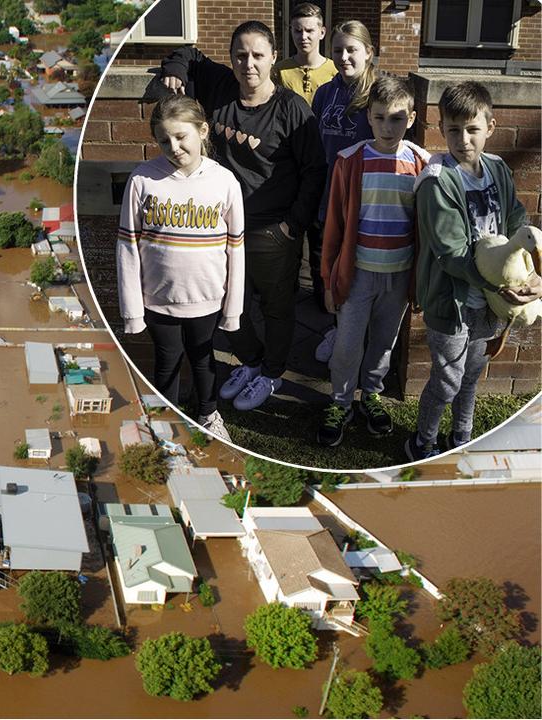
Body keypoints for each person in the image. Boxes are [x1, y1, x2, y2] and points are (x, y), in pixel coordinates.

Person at [160, 21, 326, 412]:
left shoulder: (291, 109)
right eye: (240, 54)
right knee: (224, 300)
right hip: (219, 228)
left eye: (257, 55)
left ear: (272, 59)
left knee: (276, 306)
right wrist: (176, 72)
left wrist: (292, 225)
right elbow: (189, 53)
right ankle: (251, 362)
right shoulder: (220, 88)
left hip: (272, 230)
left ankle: (272, 371)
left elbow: (315, 169)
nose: (247, 63)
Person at [407, 81, 542, 461]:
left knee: (472, 374)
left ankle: (461, 436)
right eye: (453, 129)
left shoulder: (498, 170)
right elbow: (451, 253)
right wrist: (499, 286)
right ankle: (423, 442)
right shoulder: (437, 181)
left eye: (472, 129)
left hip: (490, 303)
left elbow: (517, 221)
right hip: (453, 303)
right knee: (448, 380)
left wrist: (530, 276)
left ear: (491, 127)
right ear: (441, 127)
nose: (463, 139)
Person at [117, 95, 245, 442]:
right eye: (163, 140)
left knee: (204, 360)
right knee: (166, 362)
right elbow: (127, 248)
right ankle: (165, 425)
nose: (173, 147)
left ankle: (208, 413)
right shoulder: (143, 180)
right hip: (158, 301)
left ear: (202, 131)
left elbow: (236, 250)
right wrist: (133, 312)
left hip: (206, 299)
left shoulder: (225, 182)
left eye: (181, 136)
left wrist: (233, 310)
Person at [317, 75, 429, 447]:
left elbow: (427, 231)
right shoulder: (349, 161)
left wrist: (421, 283)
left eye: (396, 119)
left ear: (411, 119)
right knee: (348, 344)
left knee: (384, 341)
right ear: (368, 116)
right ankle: (340, 402)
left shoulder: (422, 165)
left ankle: (373, 394)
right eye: (380, 117)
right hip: (358, 274)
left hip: (398, 276)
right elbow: (333, 225)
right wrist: (329, 278)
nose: (387, 126)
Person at [310, 20, 380, 326]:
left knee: (359, 270)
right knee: (329, 264)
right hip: (329, 192)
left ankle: (354, 333)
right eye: (337, 50)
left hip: (366, 198)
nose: (344, 57)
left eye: (352, 49)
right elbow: (315, 145)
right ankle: (333, 329)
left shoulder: (378, 94)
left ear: (368, 52)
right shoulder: (325, 93)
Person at [272, 3, 336, 107]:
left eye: (309, 31)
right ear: (291, 31)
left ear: (322, 33)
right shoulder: (278, 71)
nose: (303, 37)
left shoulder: (335, 71)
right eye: (298, 31)